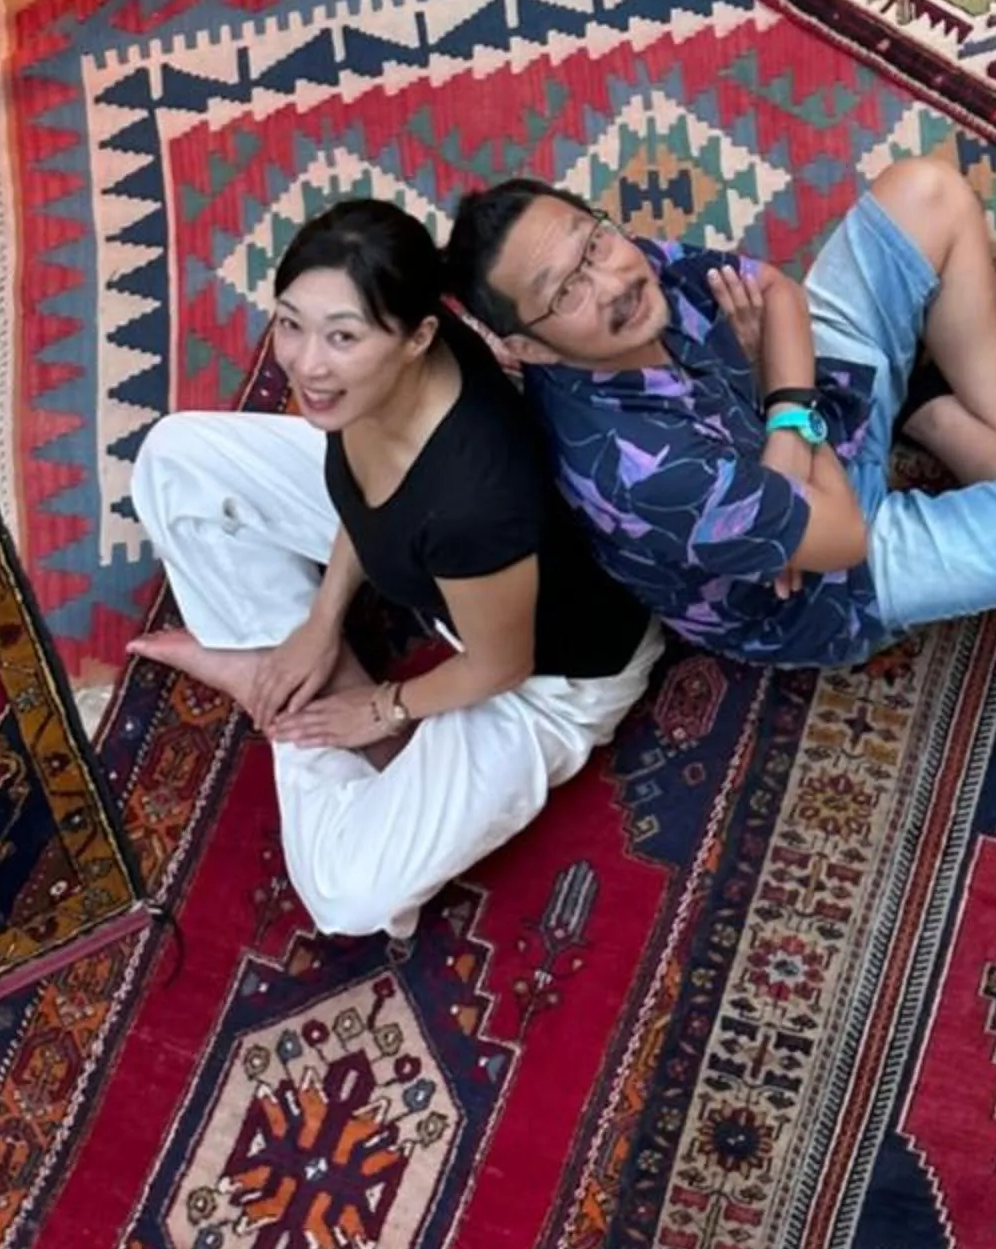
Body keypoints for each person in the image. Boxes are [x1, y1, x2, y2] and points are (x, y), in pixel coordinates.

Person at [128, 197, 662, 940]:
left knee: (344, 895)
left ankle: (287, 708)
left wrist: (382, 708)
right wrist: (319, 625)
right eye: (290, 323)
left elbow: (501, 666)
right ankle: (285, 662)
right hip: (438, 567)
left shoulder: (472, 501)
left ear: (419, 338)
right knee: (173, 458)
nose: (307, 365)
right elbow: (364, 494)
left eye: (342, 337)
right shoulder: (375, 380)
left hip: (547, 676)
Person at [444, 153, 996, 671]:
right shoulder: (639, 472)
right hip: (824, 587)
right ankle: (951, 428)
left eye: (593, 242)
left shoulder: (618, 266)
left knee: (928, 190)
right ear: (525, 348)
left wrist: (780, 406)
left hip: (801, 418)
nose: (612, 282)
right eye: (565, 291)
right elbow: (839, 536)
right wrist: (783, 405)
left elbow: (776, 292)